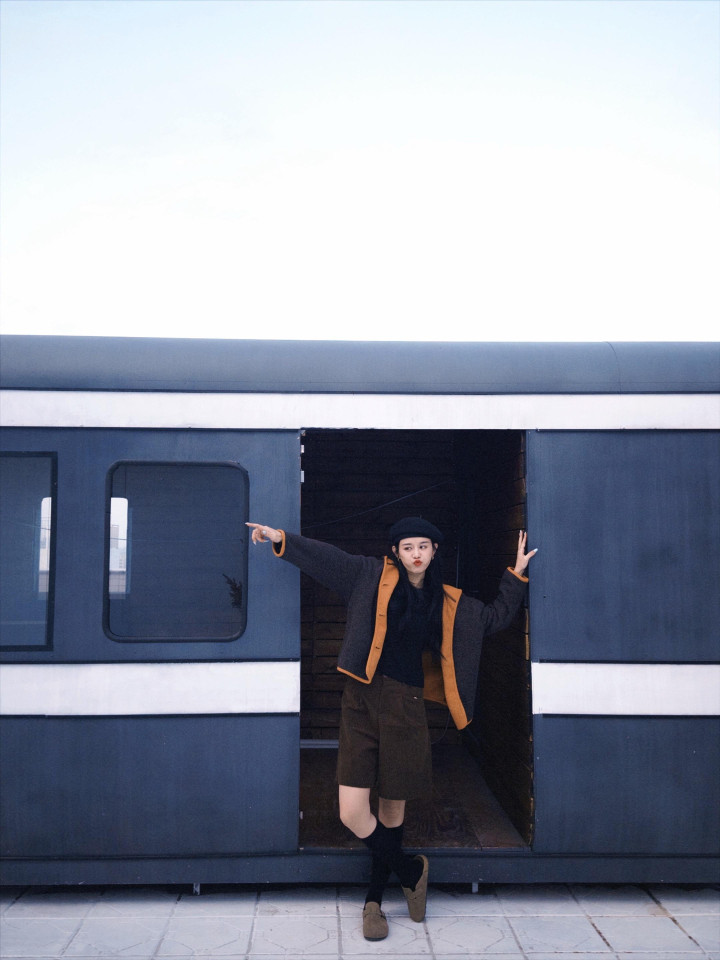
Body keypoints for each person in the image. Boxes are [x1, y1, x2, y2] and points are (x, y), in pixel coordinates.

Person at [246, 517, 536, 941]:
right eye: (408, 547)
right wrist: (281, 540)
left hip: (406, 707)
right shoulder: (368, 575)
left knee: (391, 812)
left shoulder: (447, 602)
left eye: (424, 546)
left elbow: (494, 618)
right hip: (360, 702)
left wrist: (517, 573)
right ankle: (410, 870)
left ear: (434, 552)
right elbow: (326, 559)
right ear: (396, 552)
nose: (416, 554)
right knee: (352, 812)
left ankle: (373, 901)